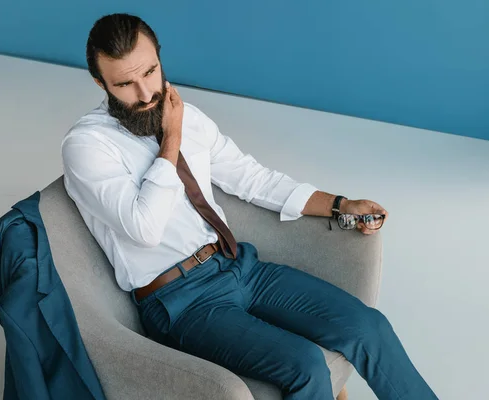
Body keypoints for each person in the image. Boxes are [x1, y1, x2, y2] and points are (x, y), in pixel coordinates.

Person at [61, 13, 438, 400]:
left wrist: (340, 204)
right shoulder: (88, 146)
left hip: (239, 264)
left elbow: (251, 178)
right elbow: (146, 228)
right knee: (306, 366)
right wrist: (170, 138)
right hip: (179, 301)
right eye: (125, 83)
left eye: (151, 72)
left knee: (368, 327)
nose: (144, 94)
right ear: (100, 83)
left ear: (159, 58)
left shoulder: (189, 119)